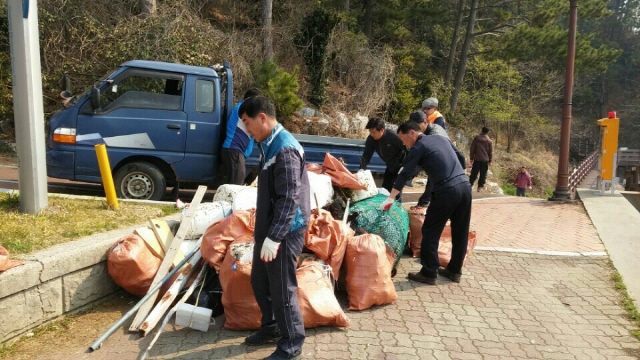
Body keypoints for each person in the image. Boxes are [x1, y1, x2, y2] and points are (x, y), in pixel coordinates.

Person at [239, 96, 309, 360]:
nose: (247, 130)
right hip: (271, 230)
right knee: (260, 281)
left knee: (282, 290)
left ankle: (291, 344)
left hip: (286, 231)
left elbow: (290, 197)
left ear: (262, 118)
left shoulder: (285, 148)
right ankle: (271, 327)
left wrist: (275, 237)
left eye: (247, 123)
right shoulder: (268, 143)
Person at [380, 121, 471, 285]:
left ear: (412, 133)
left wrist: (390, 198)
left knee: (430, 230)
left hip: (446, 190)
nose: (403, 143)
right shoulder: (441, 139)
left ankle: (429, 272)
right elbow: (461, 157)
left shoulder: (418, 147)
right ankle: (455, 270)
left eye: (403, 139)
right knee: (460, 230)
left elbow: (405, 173)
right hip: (465, 186)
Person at [408, 111, 462, 209]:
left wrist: (409, 175)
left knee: (437, 184)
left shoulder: (434, 134)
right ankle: (424, 204)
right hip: (450, 161)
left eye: (416, 126)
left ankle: (424, 205)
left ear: (425, 122)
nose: (414, 129)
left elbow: (422, 158)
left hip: (448, 162)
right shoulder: (431, 130)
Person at [220, 88, 263, 185]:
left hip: (235, 151)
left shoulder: (243, 108)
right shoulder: (243, 109)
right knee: (235, 186)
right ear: (249, 99)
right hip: (234, 150)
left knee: (234, 184)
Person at [360, 117, 408, 200]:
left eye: (374, 132)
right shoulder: (371, 139)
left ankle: (397, 209)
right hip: (390, 167)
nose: (372, 134)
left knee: (395, 191)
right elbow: (367, 155)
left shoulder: (393, 137)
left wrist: (406, 166)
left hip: (400, 166)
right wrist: (361, 169)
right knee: (384, 190)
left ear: (381, 130)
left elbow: (408, 150)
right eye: (370, 132)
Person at [469, 126, 493, 191]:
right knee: (483, 174)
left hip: (477, 159)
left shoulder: (476, 139)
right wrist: (490, 161)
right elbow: (490, 152)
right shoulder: (489, 141)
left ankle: (470, 185)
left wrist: (471, 158)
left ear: (481, 131)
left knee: (474, 173)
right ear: (487, 132)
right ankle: (480, 187)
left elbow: (472, 149)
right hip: (485, 160)